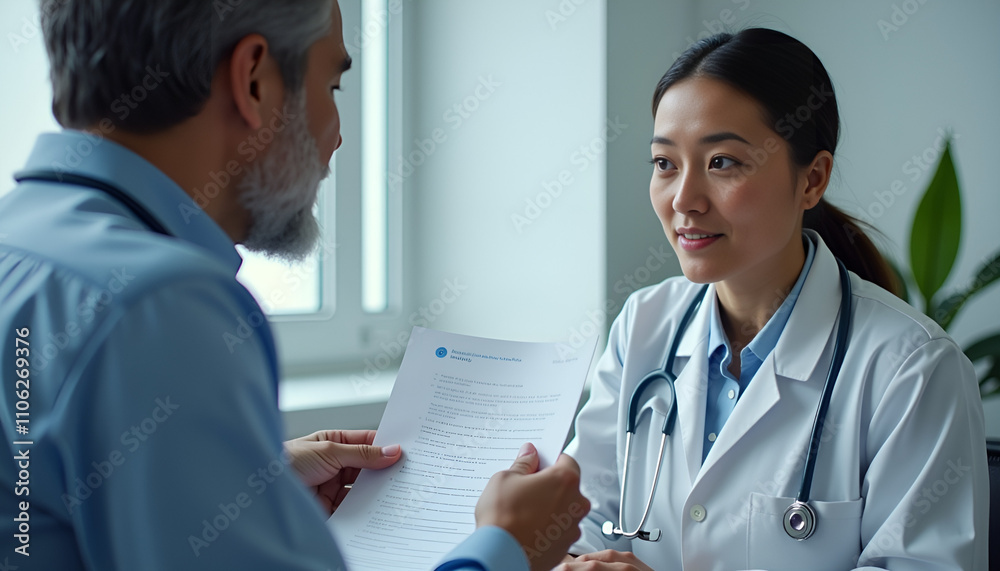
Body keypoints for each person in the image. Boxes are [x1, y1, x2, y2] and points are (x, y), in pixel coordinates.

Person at [0, 1, 587, 570]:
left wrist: (246, 492)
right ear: (253, 80)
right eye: (332, 89)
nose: (335, 138)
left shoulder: (21, 248)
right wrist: (507, 549)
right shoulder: (160, 306)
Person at [557, 28, 988, 570]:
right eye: (665, 163)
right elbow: (588, 519)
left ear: (812, 179)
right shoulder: (645, 324)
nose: (684, 200)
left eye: (722, 163)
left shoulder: (913, 369)